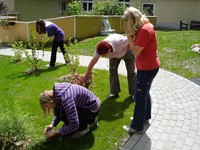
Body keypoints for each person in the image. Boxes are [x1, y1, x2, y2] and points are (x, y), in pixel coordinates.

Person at [122, 7, 160, 134]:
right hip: (149, 66)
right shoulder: (145, 26)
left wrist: (128, 35)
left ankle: (136, 126)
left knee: (139, 96)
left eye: (126, 23)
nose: (125, 25)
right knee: (145, 93)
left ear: (133, 20)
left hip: (147, 68)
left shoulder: (144, 31)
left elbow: (135, 51)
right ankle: (144, 117)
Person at [80, 33, 136, 99]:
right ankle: (114, 92)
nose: (102, 57)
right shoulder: (100, 49)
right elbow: (93, 62)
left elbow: (131, 37)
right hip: (114, 55)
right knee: (112, 72)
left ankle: (133, 93)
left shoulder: (120, 41)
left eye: (103, 55)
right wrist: (86, 75)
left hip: (127, 52)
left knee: (131, 72)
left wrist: (129, 47)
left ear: (109, 51)